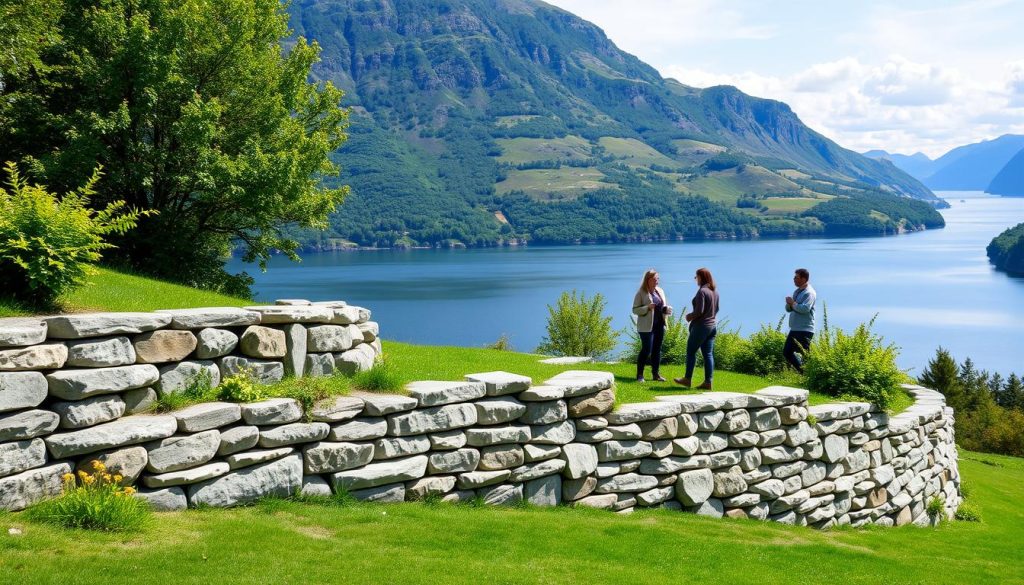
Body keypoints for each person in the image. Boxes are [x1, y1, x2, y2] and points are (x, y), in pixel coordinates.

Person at [674, 267, 719, 389]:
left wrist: (689, 316)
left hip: (701, 327)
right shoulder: (714, 292)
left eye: (696, 277)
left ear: (701, 277)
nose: (696, 279)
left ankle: (687, 379)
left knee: (691, 352)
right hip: (712, 326)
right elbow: (717, 309)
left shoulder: (702, 292)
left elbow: (699, 311)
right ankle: (708, 382)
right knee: (708, 354)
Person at [632, 269, 672, 382]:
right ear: (648, 280)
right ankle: (640, 375)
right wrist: (647, 308)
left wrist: (666, 309)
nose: (657, 282)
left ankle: (656, 374)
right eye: (655, 279)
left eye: (657, 279)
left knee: (657, 350)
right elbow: (635, 310)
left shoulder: (660, 291)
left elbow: (661, 306)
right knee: (646, 349)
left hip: (659, 325)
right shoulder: (641, 293)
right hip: (646, 327)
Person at [783, 268, 817, 373]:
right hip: (795, 328)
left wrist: (792, 303)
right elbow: (789, 309)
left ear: (803, 279)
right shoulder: (797, 291)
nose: (794, 279)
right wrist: (789, 304)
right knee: (787, 352)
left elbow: (805, 309)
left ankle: (806, 374)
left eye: (796, 277)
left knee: (804, 354)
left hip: (805, 329)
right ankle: (804, 373)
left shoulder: (809, 293)